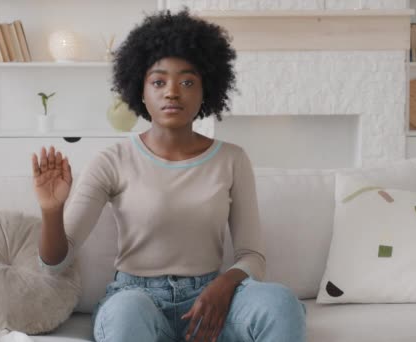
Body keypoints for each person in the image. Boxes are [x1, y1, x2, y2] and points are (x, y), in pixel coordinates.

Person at [31, 8, 305, 342]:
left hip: (211, 301)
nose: (172, 92)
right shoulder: (112, 160)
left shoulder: (232, 159)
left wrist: (223, 285)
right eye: (158, 81)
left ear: (206, 90)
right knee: (126, 313)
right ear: (140, 91)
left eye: (187, 81)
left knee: (281, 303)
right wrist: (51, 210)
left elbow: (252, 257)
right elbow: (55, 264)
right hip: (136, 300)